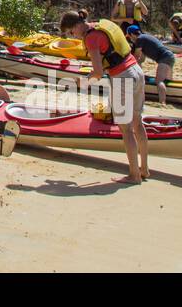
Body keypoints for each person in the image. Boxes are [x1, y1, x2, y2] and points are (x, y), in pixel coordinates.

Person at [59, 11, 150, 183]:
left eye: (71, 32)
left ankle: (134, 175)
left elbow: (99, 73)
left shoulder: (90, 38)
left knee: (126, 129)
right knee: (138, 124)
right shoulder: (101, 24)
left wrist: (83, 83)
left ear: (77, 26)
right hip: (137, 72)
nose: (74, 36)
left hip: (122, 78)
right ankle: (144, 169)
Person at [125, 24, 176, 106]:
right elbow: (141, 59)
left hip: (164, 58)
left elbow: (135, 57)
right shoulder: (144, 38)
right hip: (170, 56)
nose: (130, 39)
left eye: (129, 37)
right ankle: (171, 96)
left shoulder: (139, 40)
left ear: (131, 34)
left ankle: (162, 102)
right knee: (168, 81)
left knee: (159, 81)